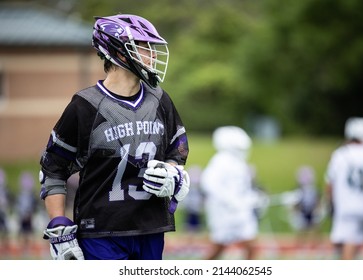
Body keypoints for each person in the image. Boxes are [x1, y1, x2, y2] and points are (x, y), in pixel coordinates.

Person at [39, 14, 190, 260]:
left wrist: (173, 173)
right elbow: (53, 169)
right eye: (145, 47)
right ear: (119, 52)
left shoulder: (160, 99)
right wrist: (58, 226)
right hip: (101, 233)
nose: (153, 55)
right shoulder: (85, 105)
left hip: (150, 228)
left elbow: (177, 148)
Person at [324, 117, 363, 260]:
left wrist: (330, 204)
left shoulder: (339, 154)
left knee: (349, 242)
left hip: (346, 208)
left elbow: (330, 184)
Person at [200, 126, 261, 259]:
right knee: (219, 247)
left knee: (251, 245)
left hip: (241, 212)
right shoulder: (220, 161)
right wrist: (228, 200)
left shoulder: (240, 164)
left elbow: (243, 188)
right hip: (223, 213)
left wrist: (253, 198)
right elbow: (208, 183)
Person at [15, 171, 38, 255]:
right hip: (22, 216)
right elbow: (18, 205)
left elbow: (34, 205)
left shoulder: (31, 195)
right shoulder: (20, 195)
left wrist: (30, 213)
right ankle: (23, 248)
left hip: (29, 216)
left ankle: (29, 248)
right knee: (23, 232)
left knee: (29, 232)